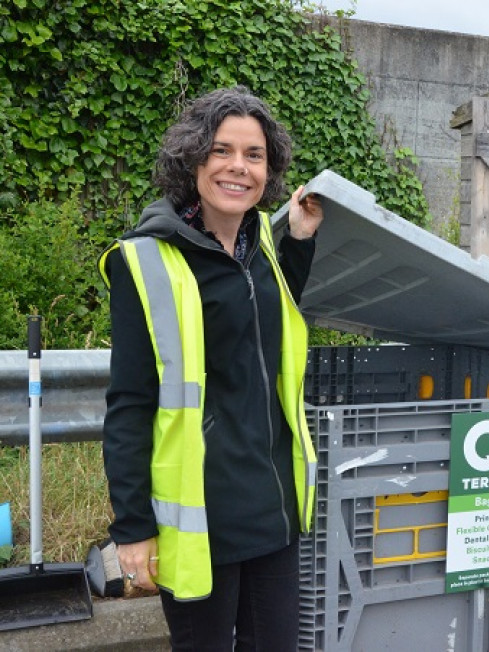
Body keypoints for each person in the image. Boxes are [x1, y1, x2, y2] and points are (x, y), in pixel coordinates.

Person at [99, 86, 323, 651]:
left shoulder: (260, 246)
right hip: (202, 515)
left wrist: (298, 238)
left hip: (271, 506)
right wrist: (132, 529)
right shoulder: (145, 260)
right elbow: (129, 403)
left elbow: (262, 322)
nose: (237, 168)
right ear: (194, 157)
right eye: (222, 151)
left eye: (254, 155)